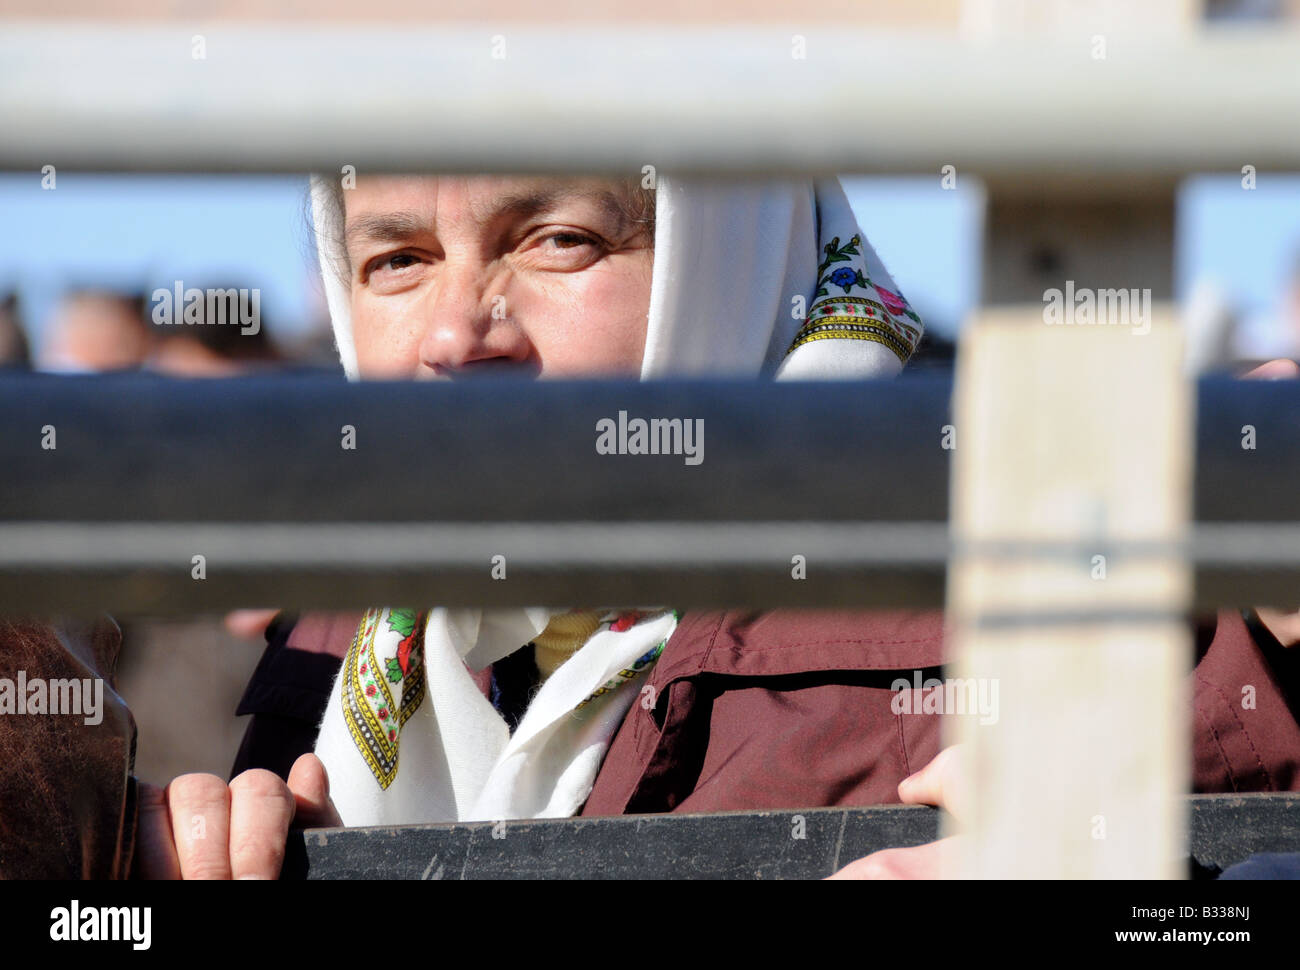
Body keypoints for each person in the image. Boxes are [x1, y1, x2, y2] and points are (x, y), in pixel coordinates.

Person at [135, 174, 1300, 879]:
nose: (454, 334)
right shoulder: (339, 654)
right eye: (395, 259)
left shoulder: (1055, 540)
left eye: (556, 240)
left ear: (735, 256)